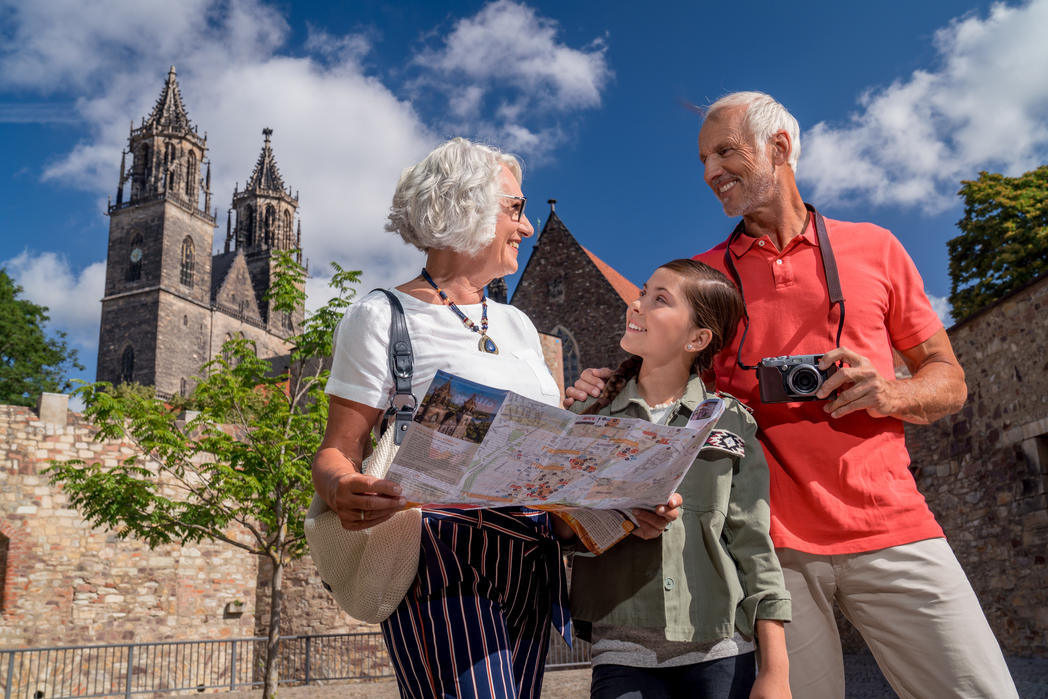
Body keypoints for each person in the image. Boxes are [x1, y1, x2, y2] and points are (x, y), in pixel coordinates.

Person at [567, 92, 1018, 698]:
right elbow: (665, 390)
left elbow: (950, 380)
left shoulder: (876, 247)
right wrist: (607, 383)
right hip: (770, 547)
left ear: (779, 147)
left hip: (895, 526)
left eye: (725, 151)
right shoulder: (703, 277)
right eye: (703, 160)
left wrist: (886, 392)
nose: (710, 172)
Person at [312, 137, 581, 698]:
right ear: (467, 207)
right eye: (515, 208)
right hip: (438, 552)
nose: (527, 226)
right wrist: (343, 487)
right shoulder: (381, 313)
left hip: (533, 552)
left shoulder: (518, 326)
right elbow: (338, 449)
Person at [568, 259, 791, 699]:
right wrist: (614, 515)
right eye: (643, 292)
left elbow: (753, 544)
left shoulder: (732, 420)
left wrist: (776, 669)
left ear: (697, 338)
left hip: (723, 650)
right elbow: (557, 524)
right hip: (621, 650)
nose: (637, 305)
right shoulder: (585, 416)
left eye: (659, 300)